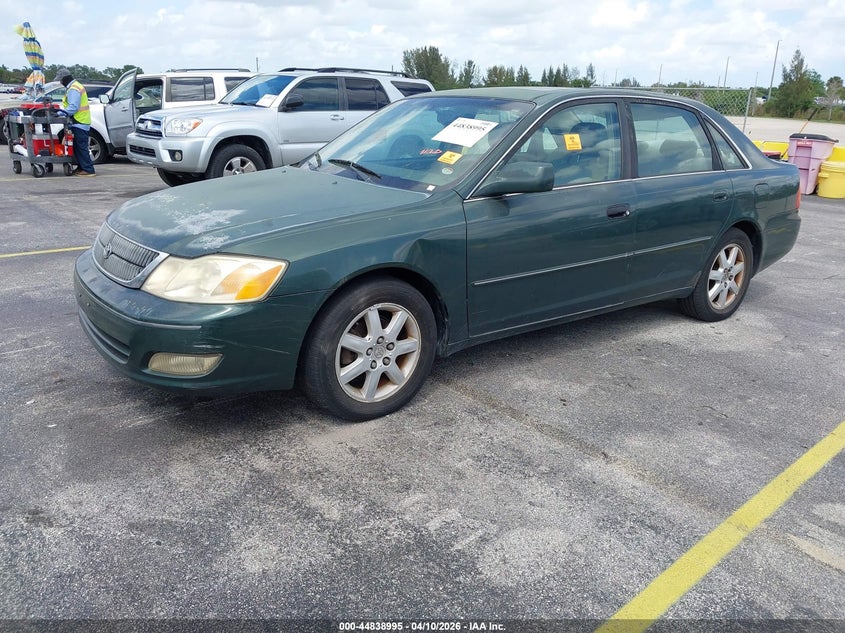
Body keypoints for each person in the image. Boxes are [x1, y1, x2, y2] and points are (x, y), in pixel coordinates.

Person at [54, 68, 95, 176]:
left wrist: (60, 113)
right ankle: (82, 167)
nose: (60, 83)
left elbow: (73, 107)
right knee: (77, 147)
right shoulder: (75, 86)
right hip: (80, 121)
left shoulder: (73, 88)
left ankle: (88, 169)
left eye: (60, 80)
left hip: (79, 121)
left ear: (65, 79)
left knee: (80, 147)